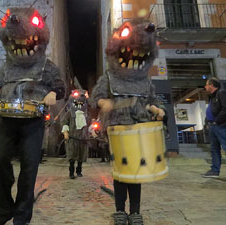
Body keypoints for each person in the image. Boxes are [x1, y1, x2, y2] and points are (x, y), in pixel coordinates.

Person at [0, 7, 66, 225]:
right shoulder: (5, 67)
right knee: (0, 159)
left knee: (29, 166)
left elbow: (61, 88)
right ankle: (3, 211)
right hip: (6, 119)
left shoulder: (47, 67)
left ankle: (21, 216)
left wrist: (53, 92)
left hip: (33, 121)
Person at [91, 19, 165, 225]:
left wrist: (157, 109)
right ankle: (120, 210)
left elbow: (151, 101)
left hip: (140, 129)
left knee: (136, 173)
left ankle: (135, 211)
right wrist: (103, 101)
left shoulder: (145, 81)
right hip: (118, 130)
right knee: (121, 173)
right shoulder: (108, 77)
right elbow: (95, 98)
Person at [62, 89, 89, 179]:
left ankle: (79, 171)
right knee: (72, 156)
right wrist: (65, 132)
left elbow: (89, 125)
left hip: (82, 138)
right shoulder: (69, 113)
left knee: (81, 156)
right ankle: (71, 172)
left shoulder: (85, 114)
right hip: (73, 137)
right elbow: (65, 122)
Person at [202, 78, 226, 178]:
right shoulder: (212, 97)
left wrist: (217, 121)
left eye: (206, 85)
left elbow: (225, 108)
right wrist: (208, 122)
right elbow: (211, 111)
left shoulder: (221, 93)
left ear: (211, 85)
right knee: (214, 149)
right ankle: (214, 171)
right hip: (213, 126)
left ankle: (214, 170)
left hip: (221, 126)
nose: (205, 86)